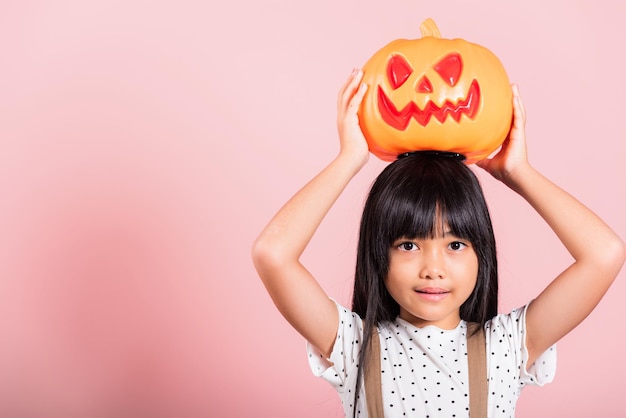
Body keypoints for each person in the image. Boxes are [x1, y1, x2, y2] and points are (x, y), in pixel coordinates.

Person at [251, 68, 625, 417]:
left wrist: (519, 172)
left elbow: (604, 254)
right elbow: (273, 254)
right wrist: (349, 159)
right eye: (408, 245)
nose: (433, 269)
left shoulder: (506, 346)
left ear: (483, 254)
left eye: (455, 245)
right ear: (378, 254)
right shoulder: (354, 345)